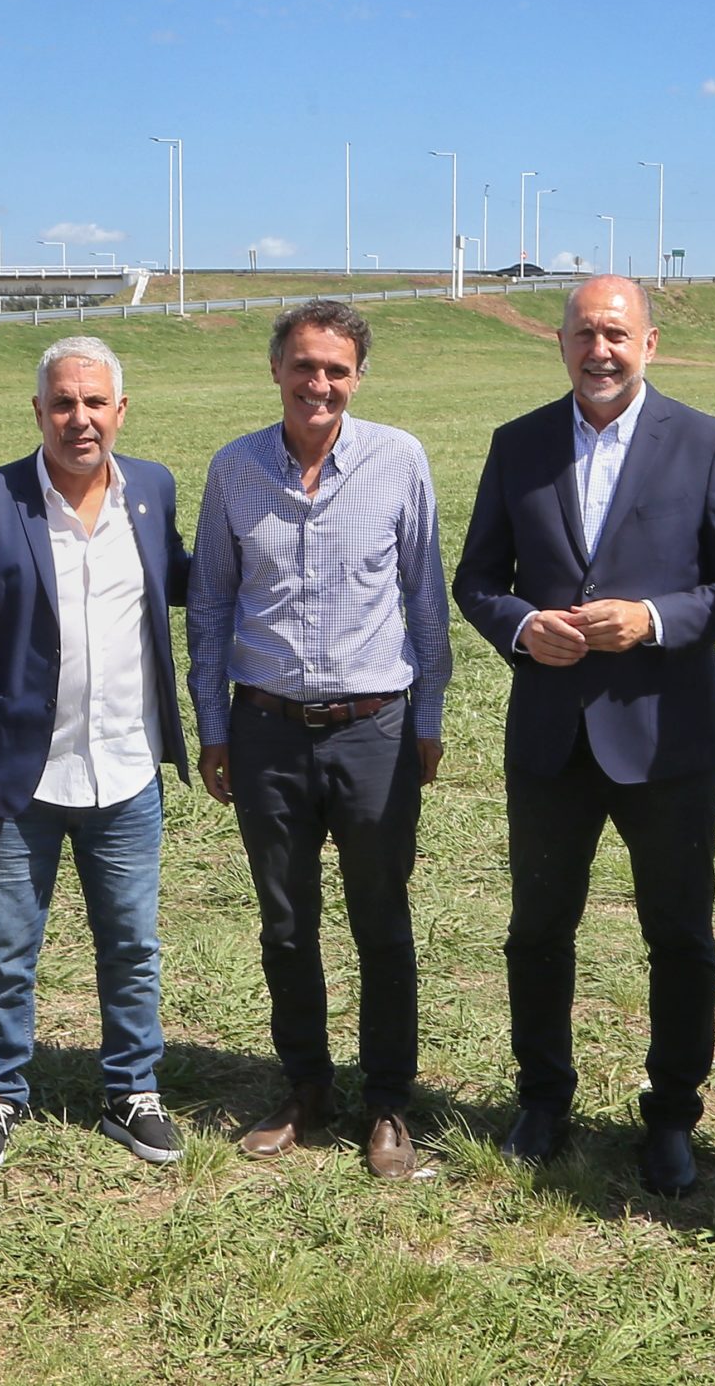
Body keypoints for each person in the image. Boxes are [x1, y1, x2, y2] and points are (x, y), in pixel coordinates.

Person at [452, 273, 715, 1196]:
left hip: (666, 739)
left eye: (617, 334)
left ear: (649, 343)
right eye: (585, 334)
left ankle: (671, 1115)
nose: (601, 351)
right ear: (560, 343)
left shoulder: (705, 443)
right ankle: (542, 1100)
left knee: (679, 934)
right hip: (550, 740)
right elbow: (477, 580)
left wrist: (654, 619)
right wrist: (523, 626)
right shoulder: (518, 444)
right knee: (537, 929)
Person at [188, 299, 452, 1180]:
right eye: (304, 365)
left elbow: (424, 597)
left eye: (337, 369)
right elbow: (211, 604)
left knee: (382, 920)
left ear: (359, 377)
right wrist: (214, 726)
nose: (319, 383)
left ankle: (388, 1103)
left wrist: (427, 717)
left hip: (374, 728)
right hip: (266, 731)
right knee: (286, 922)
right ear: (276, 369)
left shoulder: (398, 459)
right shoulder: (234, 468)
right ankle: (305, 1088)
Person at [0, 336, 191, 1175]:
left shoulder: (151, 491)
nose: (81, 419)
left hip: (126, 766)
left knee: (132, 944)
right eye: (64, 403)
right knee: (6, 949)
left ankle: (132, 1089)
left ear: (121, 410)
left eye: (95, 402)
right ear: (38, 411)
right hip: (16, 776)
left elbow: (186, 582)